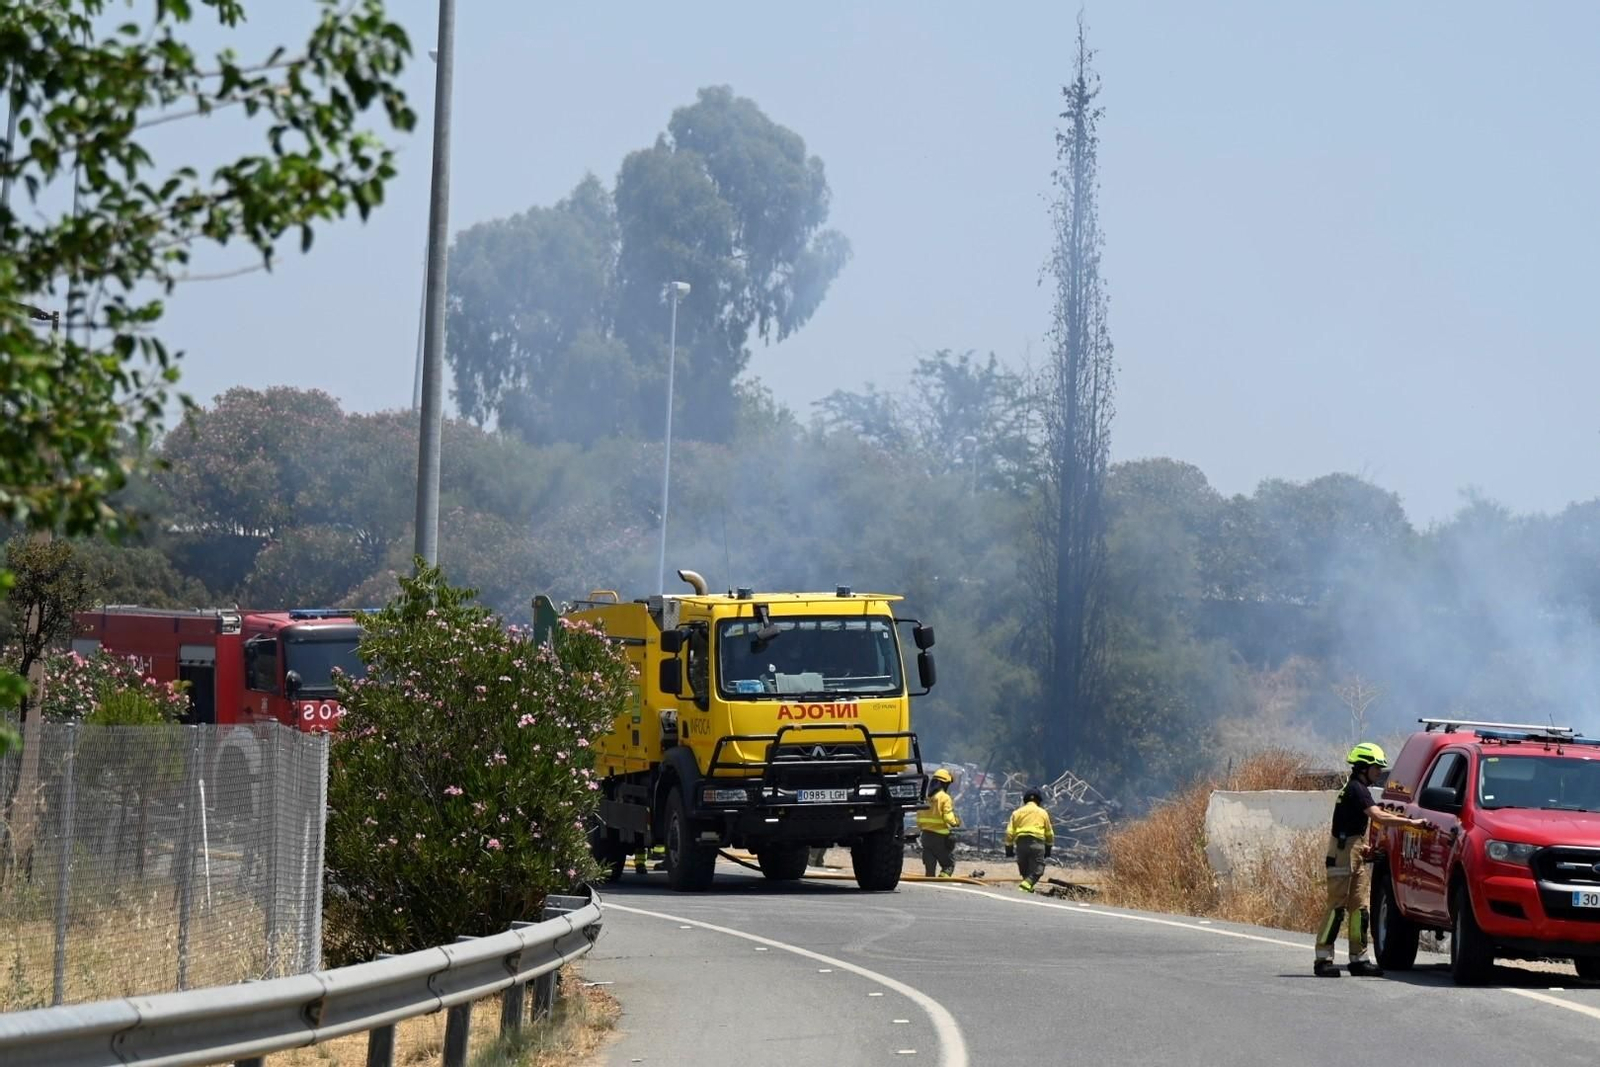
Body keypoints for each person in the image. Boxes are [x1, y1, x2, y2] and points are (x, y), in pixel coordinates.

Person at [1315, 742, 1434, 977]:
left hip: (1353, 850)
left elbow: (1351, 825)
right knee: (1337, 908)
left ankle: (1359, 960)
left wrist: (1364, 847)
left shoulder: (1358, 788)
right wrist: (1411, 823)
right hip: (1342, 854)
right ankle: (1323, 959)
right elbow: (1377, 815)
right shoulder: (1356, 789)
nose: (1379, 772)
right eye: (1376, 768)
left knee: (1359, 909)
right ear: (1363, 767)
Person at [1004, 789, 1055, 892]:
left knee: (1024, 869)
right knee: (1037, 870)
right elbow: (1049, 833)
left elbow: (1009, 832)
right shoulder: (1043, 813)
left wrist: (1009, 848)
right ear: (1039, 801)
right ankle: (1025, 885)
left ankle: (1027, 888)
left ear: (1025, 800)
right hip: (1037, 843)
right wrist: (1048, 848)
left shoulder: (1016, 813)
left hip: (1021, 844)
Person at [917, 768, 961, 877]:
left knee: (929, 870)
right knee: (948, 865)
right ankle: (943, 881)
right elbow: (948, 817)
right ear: (944, 784)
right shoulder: (944, 798)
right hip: (940, 838)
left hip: (925, 837)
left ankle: (930, 883)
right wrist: (956, 822)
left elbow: (919, 818)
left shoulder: (926, 798)